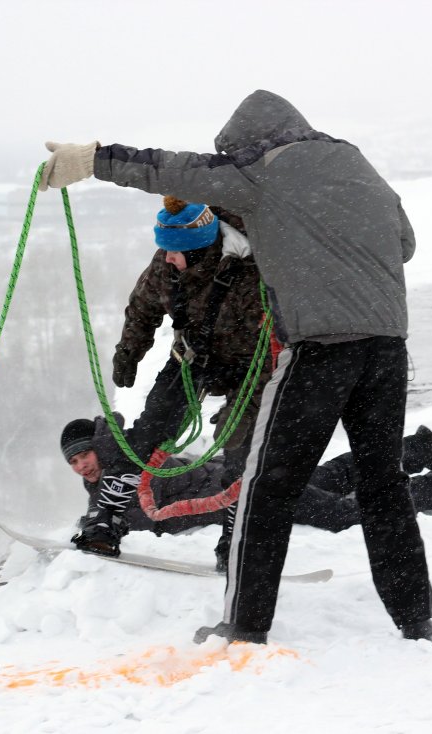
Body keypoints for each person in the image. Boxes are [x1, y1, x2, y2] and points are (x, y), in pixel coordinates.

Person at [40, 89, 432, 644]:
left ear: (246, 143)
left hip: (318, 354)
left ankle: (245, 625)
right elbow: (405, 245)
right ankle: (416, 619)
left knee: (264, 486)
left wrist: (92, 159)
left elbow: (169, 170)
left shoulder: (260, 173)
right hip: (387, 349)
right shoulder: (355, 164)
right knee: (383, 484)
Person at [112, 196, 270, 569]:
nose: (166, 257)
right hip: (194, 357)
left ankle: (236, 536)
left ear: (199, 252)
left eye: (174, 253)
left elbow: (275, 341)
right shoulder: (168, 264)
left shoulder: (254, 271)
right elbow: (143, 308)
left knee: (241, 444)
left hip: (252, 365)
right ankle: (107, 517)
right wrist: (128, 352)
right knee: (151, 428)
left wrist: (243, 405)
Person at [63, 419, 432, 546]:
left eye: (85, 455)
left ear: (100, 447)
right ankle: (413, 450)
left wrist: (113, 526)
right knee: (329, 477)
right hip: (244, 478)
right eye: (74, 462)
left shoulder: (130, 468)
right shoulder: (119, 470)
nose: (81, 466)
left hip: (245, 492)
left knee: (342, 514)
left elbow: (149, 514)